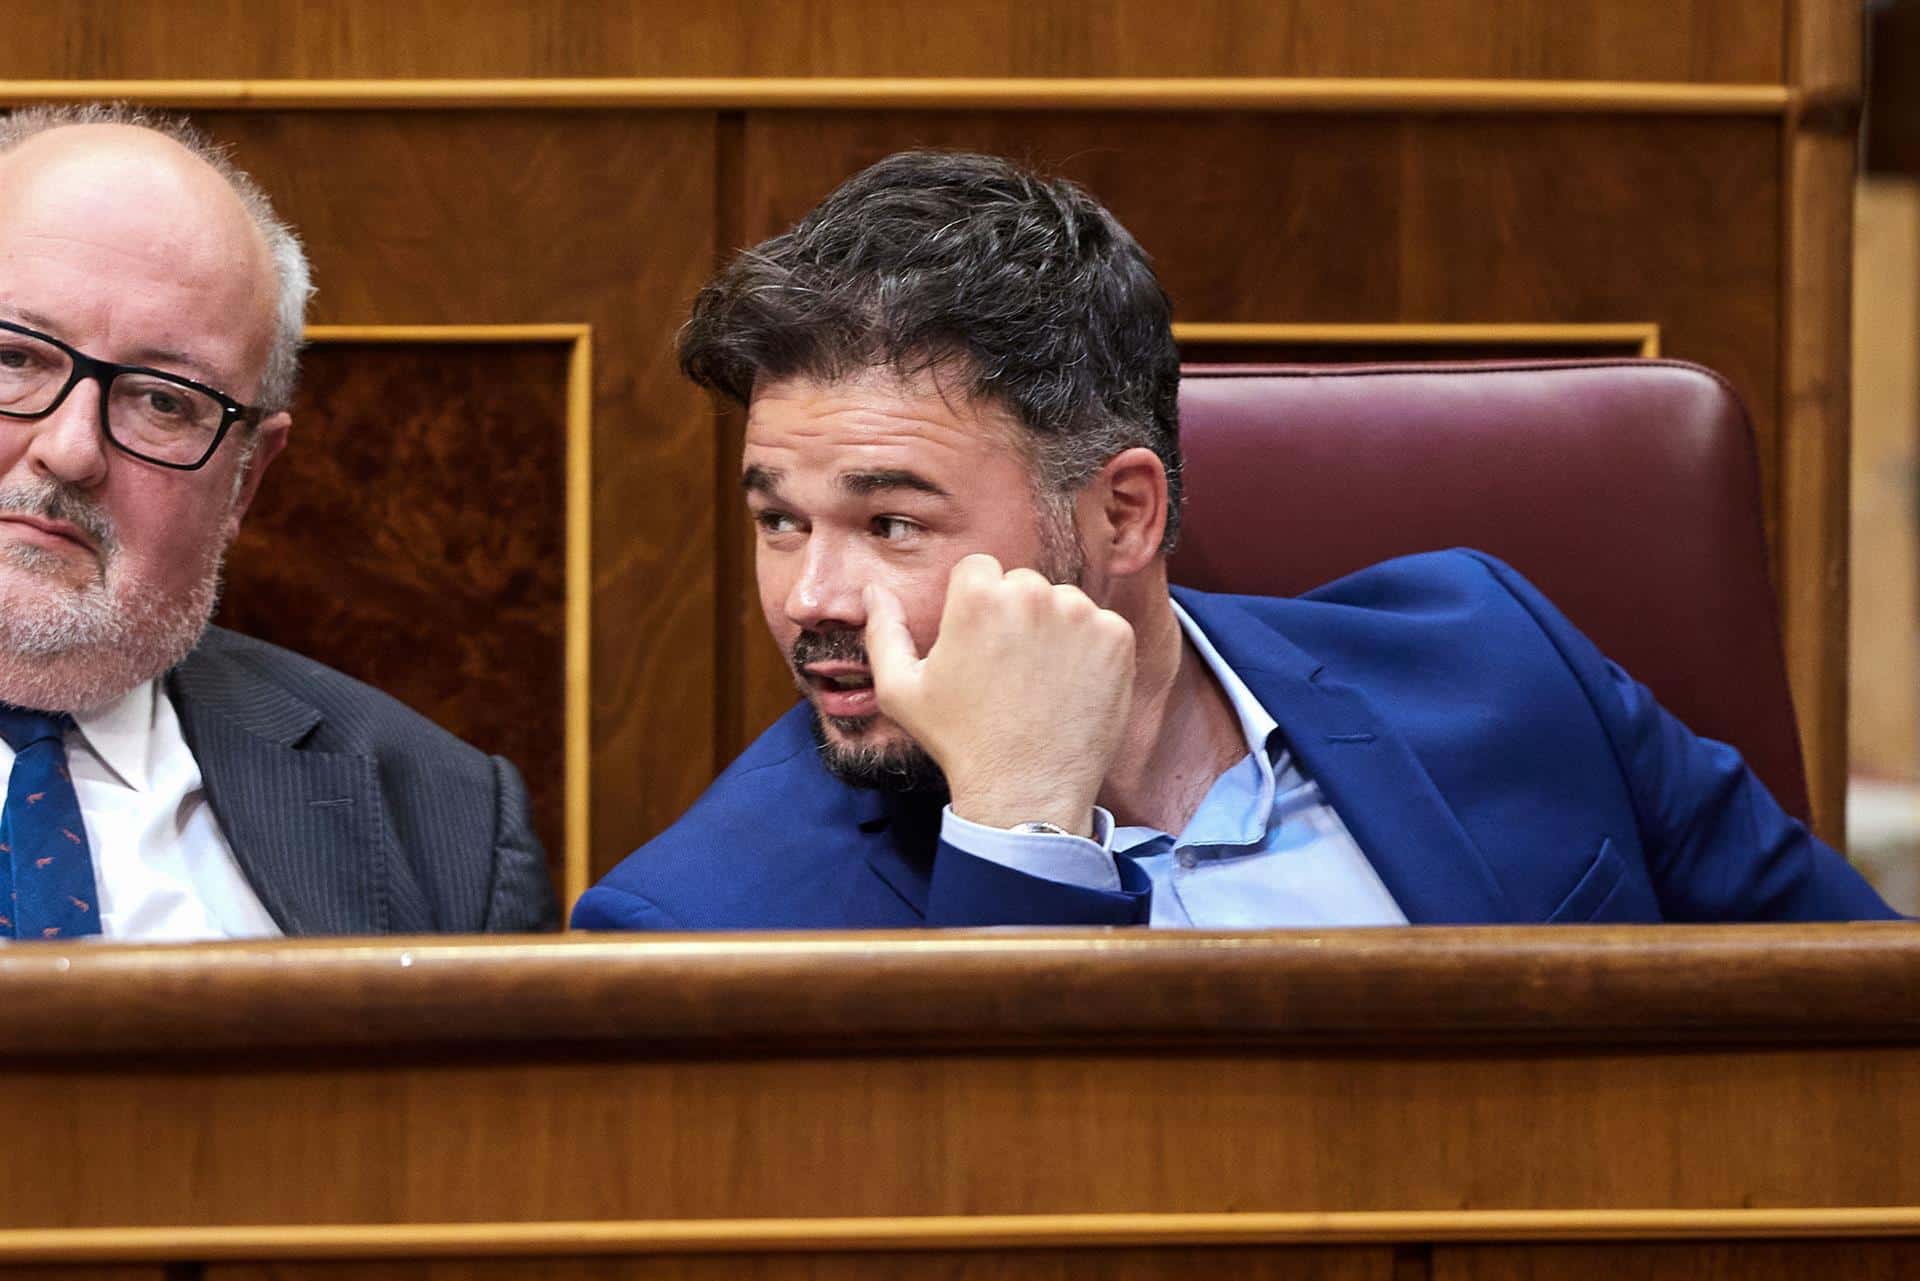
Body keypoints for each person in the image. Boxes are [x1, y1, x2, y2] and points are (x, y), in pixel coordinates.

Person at [575, 149, 1896, 930]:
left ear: (1124, 512)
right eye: (779, 520)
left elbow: (1861, 1037)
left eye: (893, 522)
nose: (811, 594)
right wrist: (1022, 834)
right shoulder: (709, 922)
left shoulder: (1500, 665)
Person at [0, 105, 558, 939]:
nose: (72, 450)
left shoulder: (446, 824)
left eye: (162, 401)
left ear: (245, 480)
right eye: (12, 357)